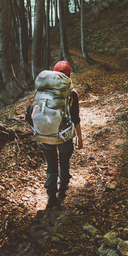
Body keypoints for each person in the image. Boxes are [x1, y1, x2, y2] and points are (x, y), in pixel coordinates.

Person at [41, 61, 83, 209]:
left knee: (51, 165)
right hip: (64, 136)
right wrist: (79, 137)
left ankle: (51, 196)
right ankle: (63, 188)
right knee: (64, 162)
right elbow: (75, 118)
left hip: (46, 134)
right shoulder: (72, 94)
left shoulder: (44, 90)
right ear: (70, 75)